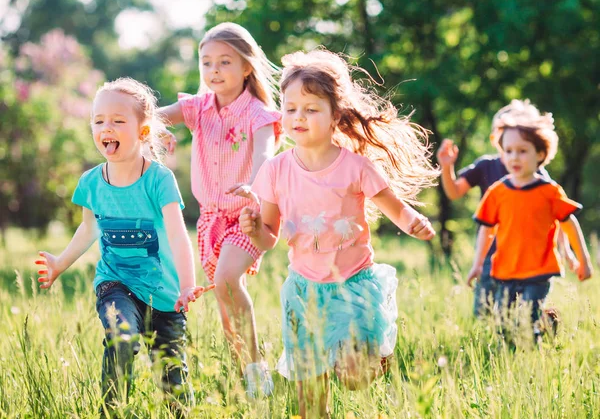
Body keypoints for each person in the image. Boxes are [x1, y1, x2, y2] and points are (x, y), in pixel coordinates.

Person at [237, 49, 439, 418]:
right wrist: (255, 231)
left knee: (354, 378)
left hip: (353, 284)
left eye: (311, 109)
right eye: (291, 108)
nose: (299, 117)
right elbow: (269, 237)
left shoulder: (356, 167)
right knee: (310, 404)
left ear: (336, 116)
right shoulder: (274, 171)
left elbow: (395, 208)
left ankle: (374, 357)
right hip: (303, 291)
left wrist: (413, 222)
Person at [34, 78, 210, 416]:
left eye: (117, 120)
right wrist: (60, 263)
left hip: (165, 294)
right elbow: (88, 230)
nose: (106, 127)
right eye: (98, 120)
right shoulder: (91, 183)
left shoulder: (158, 180)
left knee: (173, 381)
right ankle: (112, 411)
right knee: (121, 336)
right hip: (116, 283)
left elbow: (177, 235)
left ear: (143, 132)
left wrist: (188, 284)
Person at [158, 22, 281, 397]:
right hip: (210, 219)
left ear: (246, 67)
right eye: (207, 62)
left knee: (228, 280)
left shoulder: (258, 113)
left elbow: (264, 152)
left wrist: (254, 184)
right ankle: (244, 376)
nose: (214, 70)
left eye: (224, 62)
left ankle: (257, 370)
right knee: (226, 302)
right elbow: (150, 115)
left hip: (247, 215)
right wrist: (156, 128)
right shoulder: (198, 108)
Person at [437, 99, 579, 318]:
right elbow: (454, 192)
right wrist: (447, 167)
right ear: (497, 137)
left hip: (526, 258)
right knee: (484, 313)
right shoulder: (486, 165)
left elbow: (557, 216)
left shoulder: (538, 175)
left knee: (523, 313)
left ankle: (542, 323)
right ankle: (503, 343)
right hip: (490, 253)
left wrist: (566, 251)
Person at [466, 104, 593, 341]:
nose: (514, 157)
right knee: (504, 326)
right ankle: (544, 325)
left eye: (522, 151)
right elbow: (486, 230)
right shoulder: (497, 192)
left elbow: (569, 224)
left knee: (524, 320)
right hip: (505, 270)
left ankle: (532, 347)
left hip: (539, 270)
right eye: (509, 151)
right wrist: (477, 264)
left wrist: (582, 260)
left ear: (541, 155)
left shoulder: (549, 191)